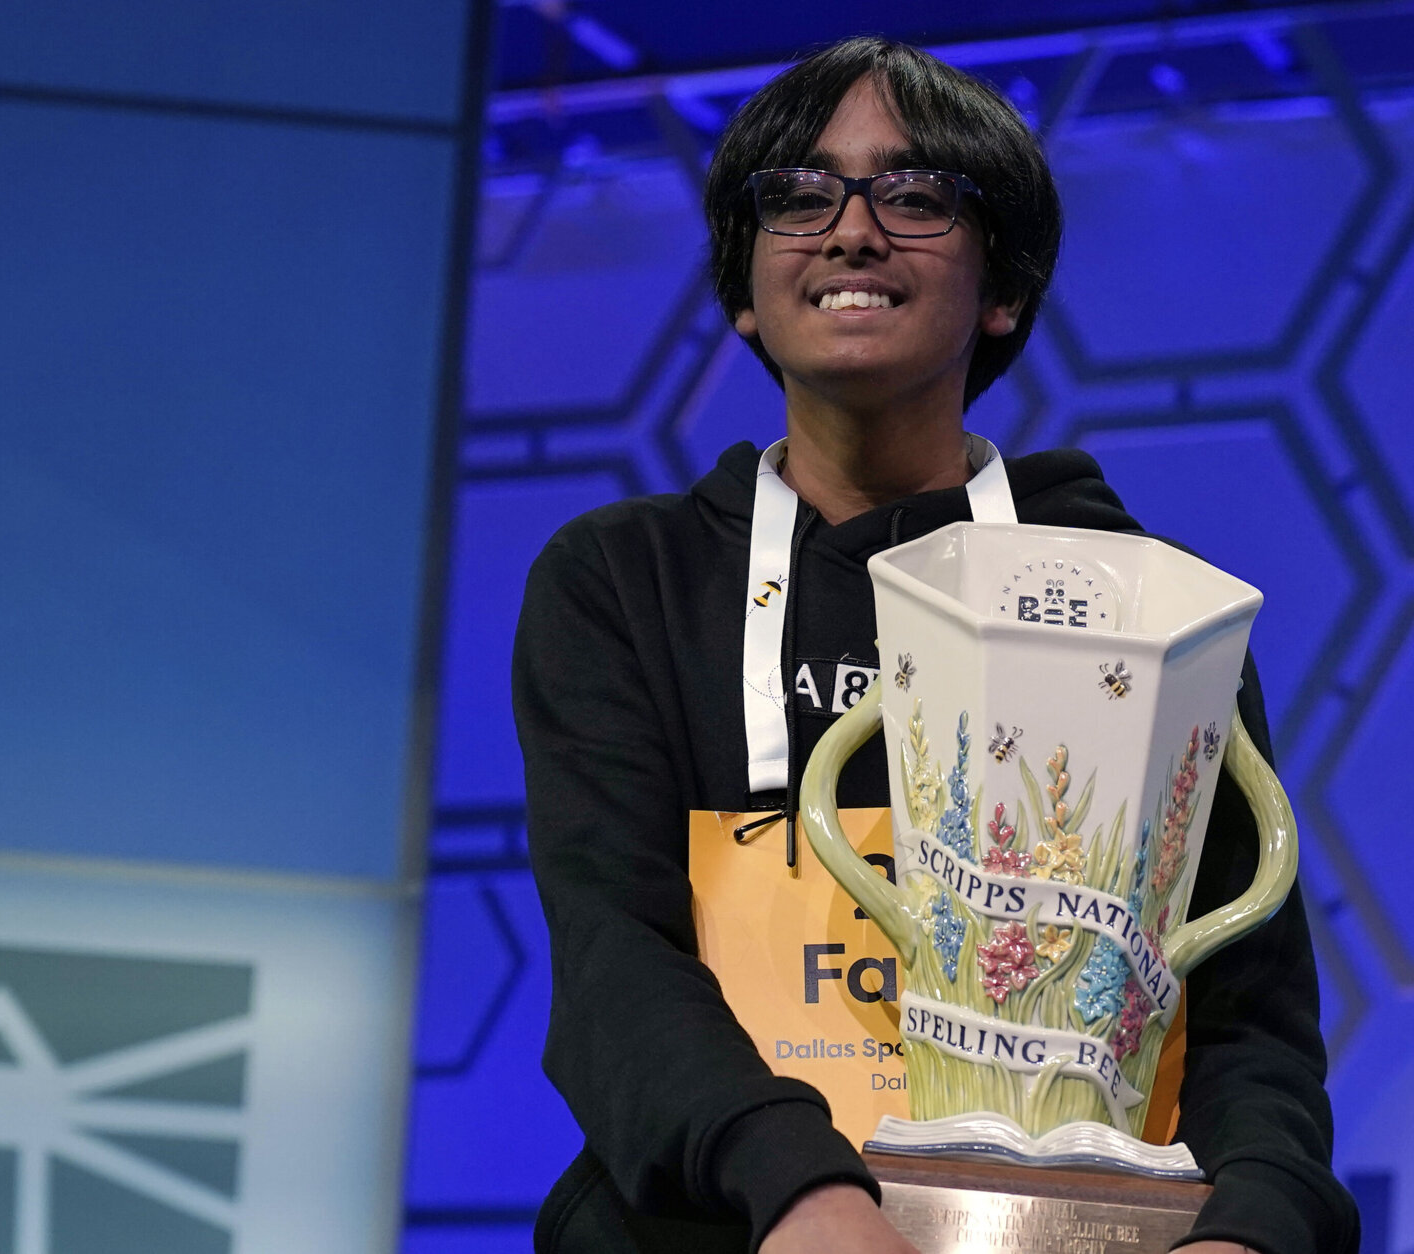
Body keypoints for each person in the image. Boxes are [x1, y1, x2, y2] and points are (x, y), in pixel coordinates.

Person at [515, 36, 1359, 1254]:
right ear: (743, 288)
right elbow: (612, 964)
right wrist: (803, 1192)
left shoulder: (1142, 602)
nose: (851, 232)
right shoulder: (624, 580)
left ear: (1001, 289)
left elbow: (1247, 1019)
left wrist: (1249, 1230)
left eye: (913, 197)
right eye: (799, 196)